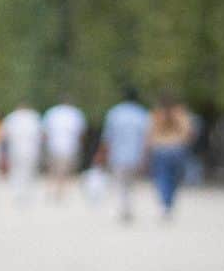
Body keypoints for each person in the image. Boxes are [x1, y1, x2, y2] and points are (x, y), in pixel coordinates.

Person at [99, 88, 151, 223]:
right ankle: (129, 206)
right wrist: (146, 156)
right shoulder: (142, 114)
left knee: (121, 183)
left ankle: (124, 207)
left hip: (118, 154)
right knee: (131, 183)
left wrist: (103, 154)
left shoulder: (115, 113)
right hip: (135, 154)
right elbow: (146, 138)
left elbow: (108, 137)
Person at [147, 91, 195, 217]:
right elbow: (188, 132)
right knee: (174, 178)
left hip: (161, 149)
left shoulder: (156, 114)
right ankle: (169, 202)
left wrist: (149, 149)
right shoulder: (180, 113)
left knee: (162, 177)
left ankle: (165, 202)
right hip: (176, 149)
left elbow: (150, 133)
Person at [41, 100, 87, 201]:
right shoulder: (75, 113)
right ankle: (61, 193)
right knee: (65, 171)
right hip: (70, 146)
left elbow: (45, 132)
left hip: (53, 145)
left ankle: (50, 192)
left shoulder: (52, 112)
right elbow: (81, 133)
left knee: (52, 170)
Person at [0, 101, 42, 203]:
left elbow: (3, 135)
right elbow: (41, 135)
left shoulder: (12, 118)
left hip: (15, 148)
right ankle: (28, 195)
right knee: (29, 172)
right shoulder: (34, 117)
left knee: (16, 172)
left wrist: (3, 152)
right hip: (31, 149)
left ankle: (17, 194)